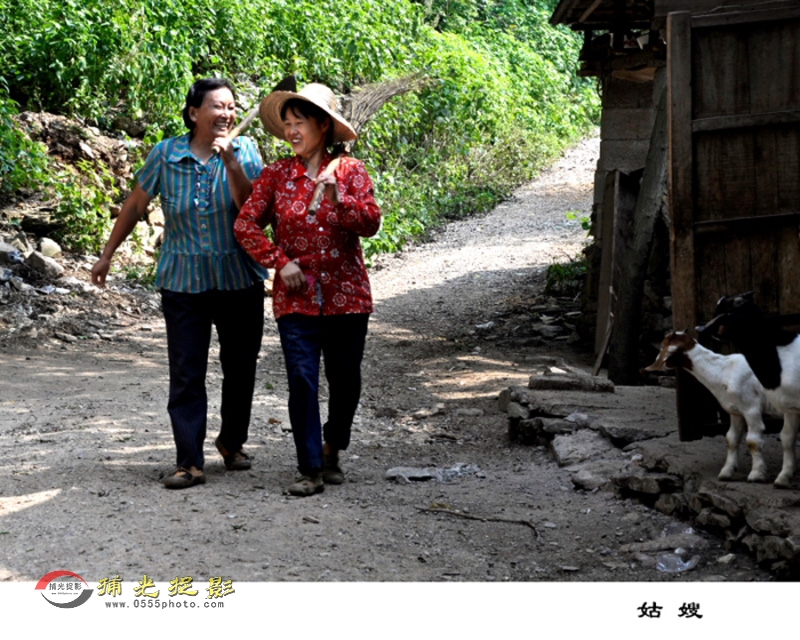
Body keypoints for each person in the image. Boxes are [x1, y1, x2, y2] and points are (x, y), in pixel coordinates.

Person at [91, 77, 268, 489]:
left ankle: (231, 442)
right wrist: (107, 254)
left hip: (238, 278)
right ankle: (189, 461)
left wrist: (232, 164)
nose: (227, 114)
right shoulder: (166, 154)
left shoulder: (245, 150)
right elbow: (136, 204)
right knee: (187, 371)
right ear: (194, 113)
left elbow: (253, 212)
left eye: (231, 107)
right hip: (183, 282)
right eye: (218, 106)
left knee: (240, 367)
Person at [234, 83, 380, 497]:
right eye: (287, 124)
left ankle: (333, 447)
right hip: (295, 297)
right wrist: (280, 261)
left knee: (345, 382)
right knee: (302, 379)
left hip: (347, 296)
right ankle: (309, 467)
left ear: (323, 126)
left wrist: (339, 199)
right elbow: (245, 224)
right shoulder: (277, 175)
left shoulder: (351, 171)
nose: (292, 132)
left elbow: (370, 223)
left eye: (300, 123)